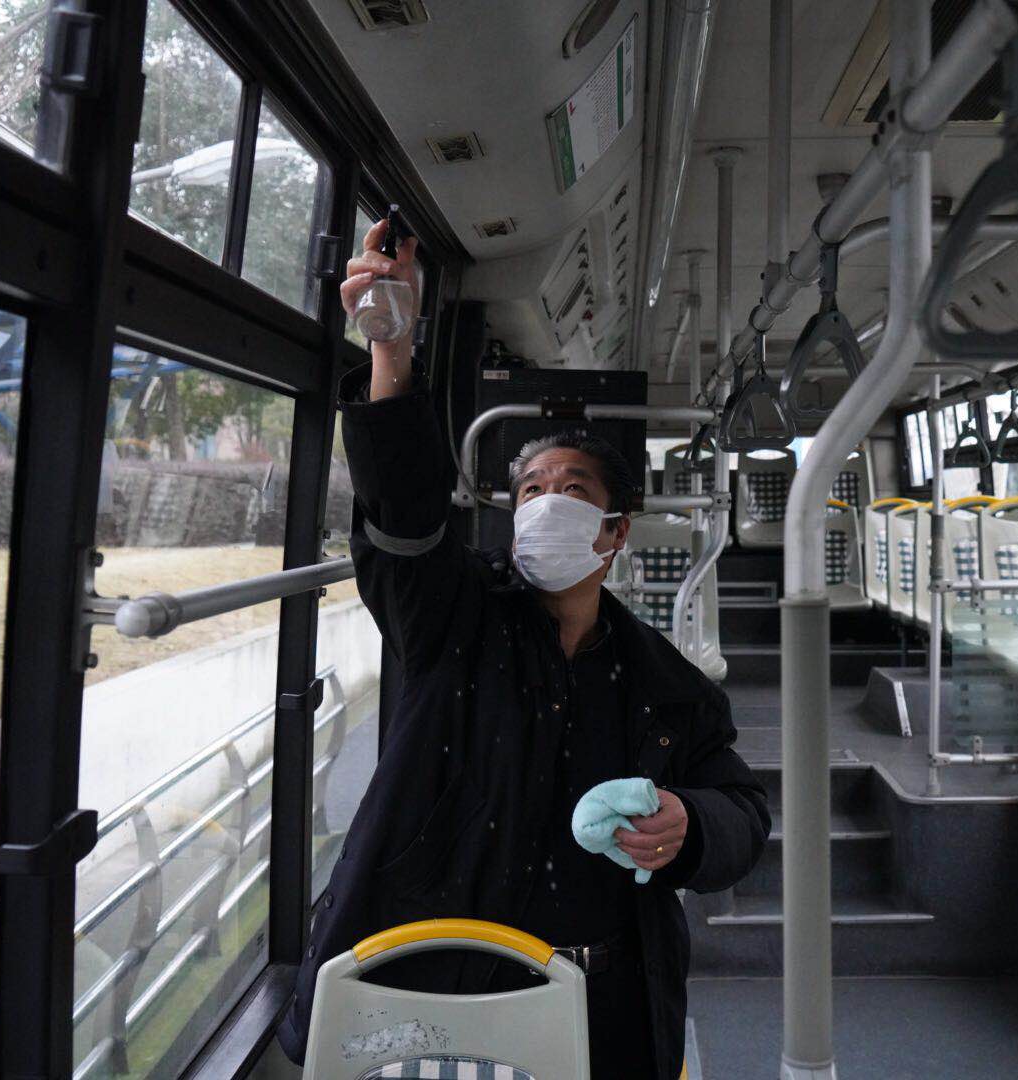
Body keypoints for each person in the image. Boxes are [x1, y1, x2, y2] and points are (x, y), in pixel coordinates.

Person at [277, 219, 769, 1078]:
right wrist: (392, 350)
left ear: (613, 532)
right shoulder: (451, 619)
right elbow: (405, 517)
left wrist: (689, 827)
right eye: (531, 490)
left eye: (572, 490)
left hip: (602, 997)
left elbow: (742, 814)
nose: (546, 504)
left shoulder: (667, 685)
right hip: (432, 976)